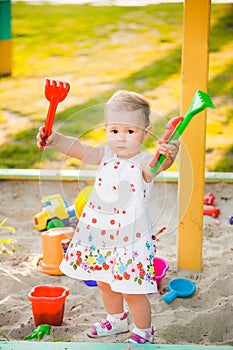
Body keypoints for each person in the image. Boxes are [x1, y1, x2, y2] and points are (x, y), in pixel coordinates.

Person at [37, 90, 180, 344]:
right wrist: (54, 138)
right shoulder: (105, 155)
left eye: (130, 131)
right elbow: (78, 148)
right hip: (100, 235)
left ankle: (144, 331)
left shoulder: (144, 161)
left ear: (146, 133)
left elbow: (157, 166)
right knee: (104, 282)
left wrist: (169, 154)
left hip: (130, 239)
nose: (121, 138)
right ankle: (116, 320)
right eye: (114, 131)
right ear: (106, 130)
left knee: (132, 290)